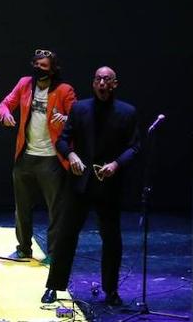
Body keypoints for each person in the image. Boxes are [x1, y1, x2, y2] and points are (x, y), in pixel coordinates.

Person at [42, 66, 140, 306]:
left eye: (107, 80)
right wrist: (71, 156)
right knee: (65, 236)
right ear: (93, 83)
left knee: (112, 240)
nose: (102, 83)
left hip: (108, 184)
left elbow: (135, 146)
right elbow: (63, 140)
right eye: (98, 79)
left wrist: (117, 164)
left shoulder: (127, 112)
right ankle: (53, 286)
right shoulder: (80, 108)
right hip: (80, 183)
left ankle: (111, 290)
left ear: (114, 84)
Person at [0, 49, 76, 264]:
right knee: (21, 207)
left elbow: (79, 117)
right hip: (25, 156)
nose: (39, 68)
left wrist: (66, 118)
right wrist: (5, 114)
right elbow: (5, 104)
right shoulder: (25, 84)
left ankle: (53, 252)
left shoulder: (64, 90)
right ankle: (23, 248)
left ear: (53, 69)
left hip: (51, 158)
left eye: (44, 66)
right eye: (37, 64)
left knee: (55, 209)